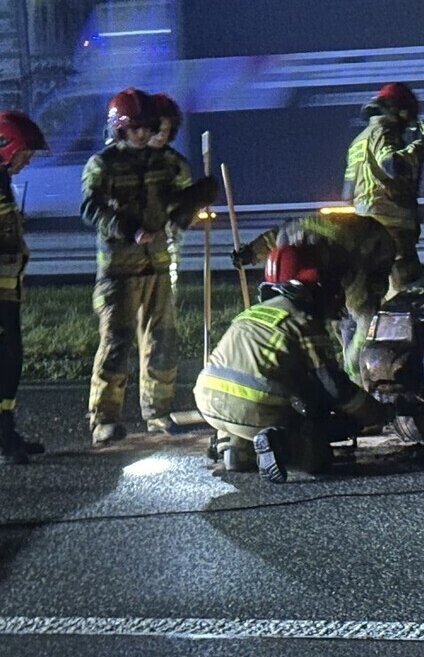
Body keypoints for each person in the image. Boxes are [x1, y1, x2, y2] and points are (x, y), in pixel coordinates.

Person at [81, 87, 216, 446]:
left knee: (162, 340)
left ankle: (157, 411)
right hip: (119, 269)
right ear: (119, 128)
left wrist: (197, 196)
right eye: (135, 128)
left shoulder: (165, 163)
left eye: (148, 127)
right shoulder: (103, 164)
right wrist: (129, 229)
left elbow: (176, 213)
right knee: (117, 342)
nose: (144, 134)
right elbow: (91, 208)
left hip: (157, 264)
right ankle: (104, 418)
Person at [195, 243, 388, 483]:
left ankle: (234, 449)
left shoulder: (254, 312)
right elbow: (333, 385)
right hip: (254, 408)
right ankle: (281, 446)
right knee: (317, 458)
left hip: (208, 402)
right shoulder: (304, 321)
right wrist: (373, 413)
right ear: (312, 287)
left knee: (247, 411)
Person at [231, 212, 395, 385]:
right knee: (334, 317)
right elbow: (273, 235)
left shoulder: (343, 264)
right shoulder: (285, 240)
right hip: (338, 240)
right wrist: (251, 252)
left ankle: (361, 377)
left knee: (347, 324)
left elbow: (365, 320)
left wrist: (352, 364)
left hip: (377, 249)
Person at [342, 82, 424, 297]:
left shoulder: (358, 141)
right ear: (397, 110)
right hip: (391, 229)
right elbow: (393, 164)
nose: (407, 124)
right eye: (406, 116)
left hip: (367, 230)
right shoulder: (382, 133)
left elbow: (347, 194)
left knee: (376, 297)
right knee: (404, 295)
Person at [0, 111, 48, 464]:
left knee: (11, 360)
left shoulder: (3, 183)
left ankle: (7, 431)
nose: (28, 159)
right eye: (25, 152)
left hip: (8, 291)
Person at [148, 93, 194, 294]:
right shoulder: (124, 160)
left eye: (165, 131)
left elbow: (185, 199)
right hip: (133, 236)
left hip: (166, 234)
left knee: (165, 282)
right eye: (157, 130)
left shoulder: (176, 164)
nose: (160, 136)